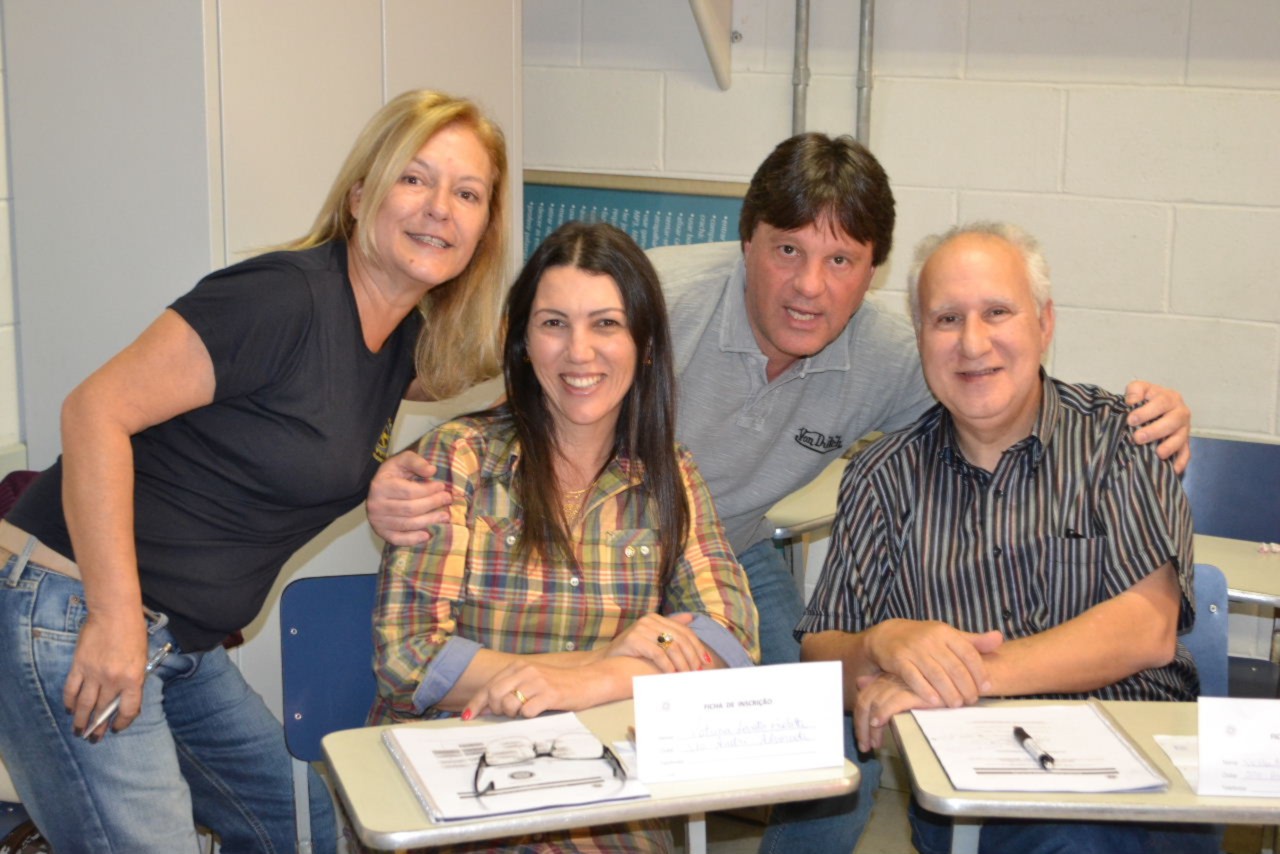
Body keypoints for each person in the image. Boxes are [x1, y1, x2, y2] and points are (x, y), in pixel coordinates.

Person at [366, 133, 1194, 853]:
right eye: (787, 250)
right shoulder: (640, 304)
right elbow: (491, 383)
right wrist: (381, 473)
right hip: (580, 539)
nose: (809, 286)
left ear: (871, 272)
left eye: (841, 261)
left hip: (713, 538)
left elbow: (997, 385)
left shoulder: (905, 352)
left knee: (823, 733)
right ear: (746, 243)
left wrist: (1145, 417)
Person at [0, 89, 508, 853]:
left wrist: (589, 327)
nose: (440, 207)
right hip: (72, 608)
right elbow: (93, 410)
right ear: (360, 195)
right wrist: (113, 617)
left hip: (180, 641)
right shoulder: (282, 298)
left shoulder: (403, 345)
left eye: (467, 194)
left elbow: (503, 361)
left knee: (299, 830)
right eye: (415, 178)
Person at [798, 222, 1221, 854]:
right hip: (971, 781)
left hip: (1138, 778)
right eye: (946, 319)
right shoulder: (881, 476)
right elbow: (820, 656)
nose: (973, 343)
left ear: (1045, 324)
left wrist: (957, 677)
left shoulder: (1123, 440)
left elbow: (1147, 628)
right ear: (920, 337)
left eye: (997, 312)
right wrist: (879, 644)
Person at [370, 220, 758, 853]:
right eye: (554, 323)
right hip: (459, 780)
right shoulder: (458, 459)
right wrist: (607, 662)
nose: (579, 352)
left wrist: (592, 685)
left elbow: (732, 645)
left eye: (606, 324)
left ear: (645, 345)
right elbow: (409, 660)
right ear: (524, 342)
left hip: (610, 797)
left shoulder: (671, 475)